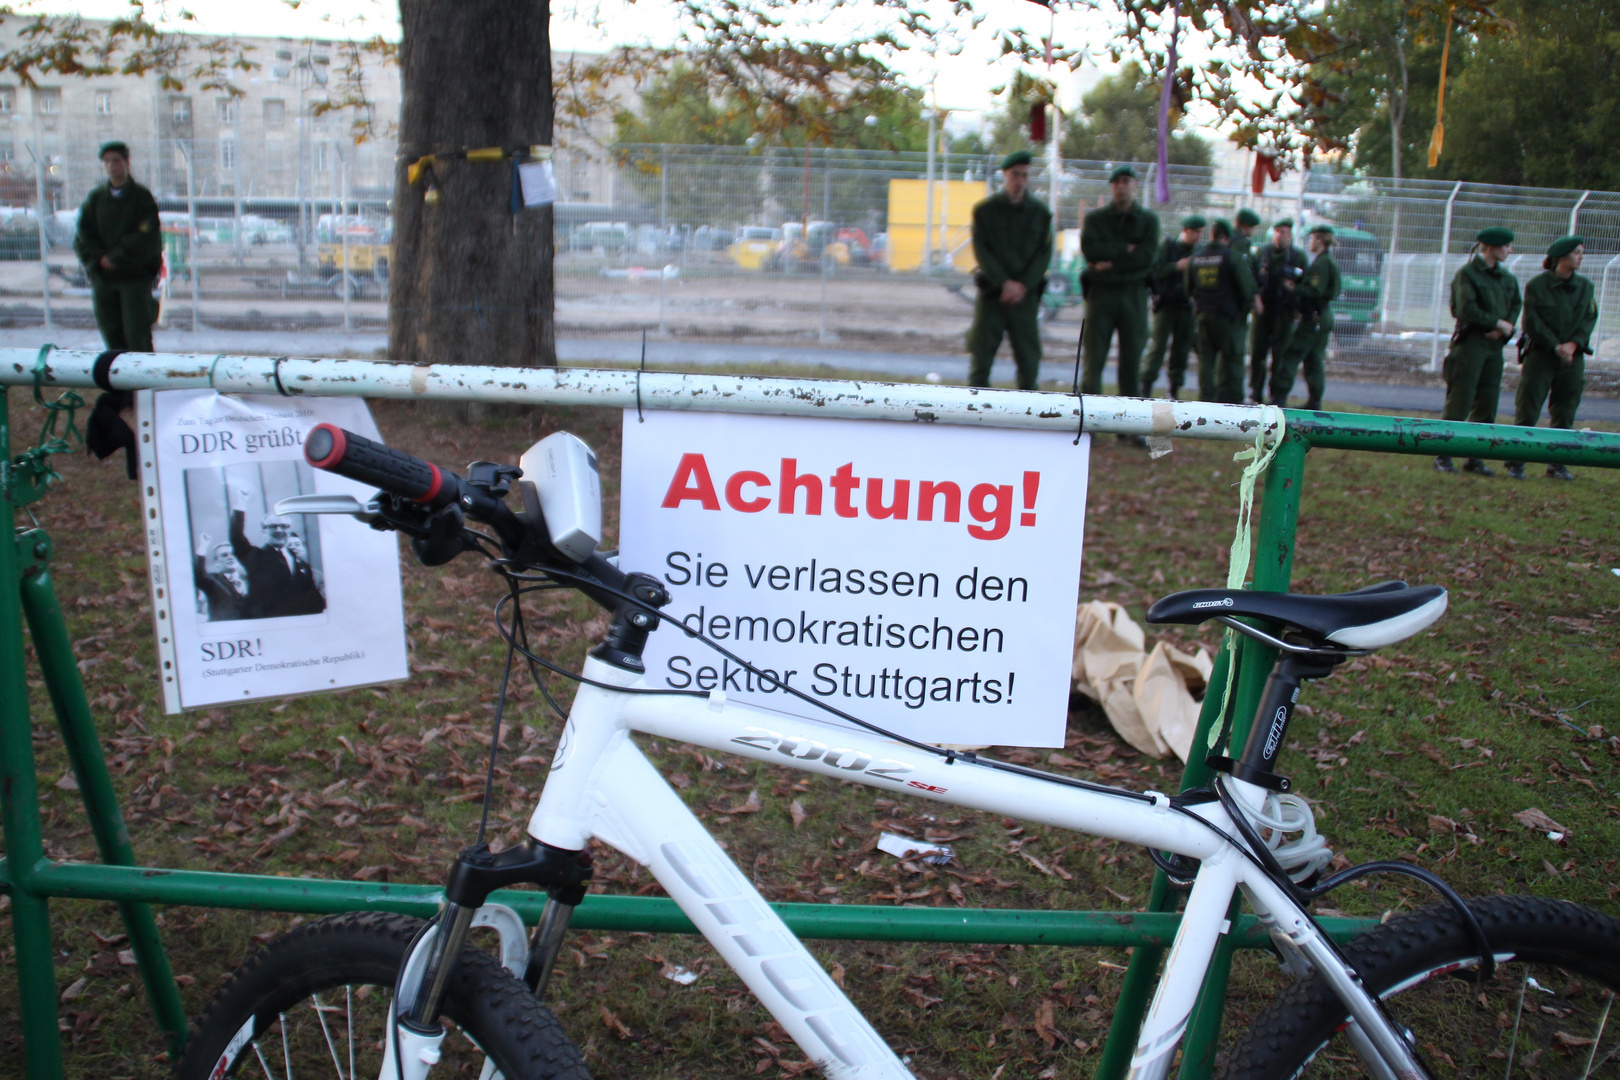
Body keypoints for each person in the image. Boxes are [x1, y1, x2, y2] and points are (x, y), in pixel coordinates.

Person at [1505, 236, 1596, 481]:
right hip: (1541, 355)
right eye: (1576, 252)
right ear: (1561, 257)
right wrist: (1557, 346)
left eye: (1581, 252)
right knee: (1528, 409)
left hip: (1572, 358)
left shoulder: (1586, 287)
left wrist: (1573, 345)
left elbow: (1589, 319)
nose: (1581, 256)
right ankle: (1516, 462)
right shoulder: (1537, 285)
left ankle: (1557, 463)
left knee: (1565, 411)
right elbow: (1532, 322)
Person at [1434, 226, 1521, 476]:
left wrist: (1505, 327)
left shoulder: (1507, 278)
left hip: (1493, 347)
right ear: (1492, 247)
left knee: (1487, 403)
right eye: (1506, 245)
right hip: (1470, 344)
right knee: (1460, 401)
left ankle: (1475, 457)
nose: (1509, 250)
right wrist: (1496, 322)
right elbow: (1465, 308)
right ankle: (1443, 454)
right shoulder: (1468, 274)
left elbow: (1515, 303)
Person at [966, 150, 1052, 391]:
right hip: (994, 293)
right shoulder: (985, 211)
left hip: (1024, 298)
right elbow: (982, 251)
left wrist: (1021, 285)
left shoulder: (1040, 214)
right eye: (1015, 174)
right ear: (1004, 175)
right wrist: (1005, 282)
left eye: (1025, 175)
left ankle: (1028, 418)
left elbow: (1043, 255)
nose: (1020, 180)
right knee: (981, 355)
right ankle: (975, 414)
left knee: (1029, 359)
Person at [1080, 164, 1160, 409]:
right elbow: (1091, 249)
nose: (1121, 186)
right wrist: (1125, 250)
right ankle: (1088, 418)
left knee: (1132, 360)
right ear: (1111, 186)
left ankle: (1129, 422)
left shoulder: (1147, 220)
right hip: (1101, 294)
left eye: (1126, 181)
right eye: (1116, 182)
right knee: (1094, 359)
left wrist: (1107, 263)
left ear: (1134, 185)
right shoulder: (1095, 219)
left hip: (1133, 294)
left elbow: (1146, 257)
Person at [73, 141, 162, 353]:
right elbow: (83, 235)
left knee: (136, 335)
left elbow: (146, 236)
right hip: (105, 279)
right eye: (107, 161)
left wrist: (117, 256)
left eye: (116, 160)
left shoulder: (141, 198)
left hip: (133, 278)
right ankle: (119, 386)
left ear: (126, 162)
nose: (111, 165)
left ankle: (142, 383)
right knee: (112, 336)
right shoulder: (96, 199)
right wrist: (99, 259)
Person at [1269, 225, 1341, 410]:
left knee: (1292, 354)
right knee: (1314, 359)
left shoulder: (1321, 263)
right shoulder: (1328, 261)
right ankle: (1315, 401)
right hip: (1323, 315)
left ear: (1319, 240)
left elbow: (1315, 290)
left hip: (1314, 316)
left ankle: (1280, 397)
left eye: (1311, 238)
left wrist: (1295, 288)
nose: (1309, 242)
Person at [1187, 218, 1257, 404]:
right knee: (1232, 360)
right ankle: (1232, 401)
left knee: (1206, 360)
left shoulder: (1196, 258)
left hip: (1203, 316)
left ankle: (1205, 400)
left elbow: (1188, 288)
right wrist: (1241, 313)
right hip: (1228, 318)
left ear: (1212, 234)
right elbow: (1246, 289)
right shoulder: (1232, 257)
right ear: (1227, 237)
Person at [1140, 215, 1204, 400]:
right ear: (1186, 230)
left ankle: (1174, 387)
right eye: (1195, 232)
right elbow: (1155, 271)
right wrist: (1176, 267)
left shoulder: (1198, 252)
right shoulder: (1167, 247)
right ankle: (1146, 384)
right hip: (1166, 305)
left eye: (1200, 232)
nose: (1198, 236)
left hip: (1186, 307)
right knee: (1157, 347)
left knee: (1181, 350)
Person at [230, 498, 327, 618]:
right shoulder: (256, 556)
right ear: (263, 531)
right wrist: (240, 505)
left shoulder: (300, 562)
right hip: (270, 620)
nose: (279, 530)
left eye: (283, 526)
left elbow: (311, 594)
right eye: (273, 526)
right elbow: (236, 538)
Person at [1249, 218, 1309, 403]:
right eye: (1277, 231)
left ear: (1290, 235)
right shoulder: (1263, 252)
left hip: (1285, 313)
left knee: (1280, 355)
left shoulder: (1297, 256)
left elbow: (1304, 284)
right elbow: (1252, 277)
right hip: (1263, 312)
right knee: (1258, 353)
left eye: (1284, 232)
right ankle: (1255, 392)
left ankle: (1276, 394)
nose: (1280, 236)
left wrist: (1298, 307)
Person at [192, 534, 252, 622]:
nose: (230, 557)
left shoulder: (249, 581)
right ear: (217, 563)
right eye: (224, 555)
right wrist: (203, 546)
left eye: (233, 554)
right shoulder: (212, 580)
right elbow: (198, 575)